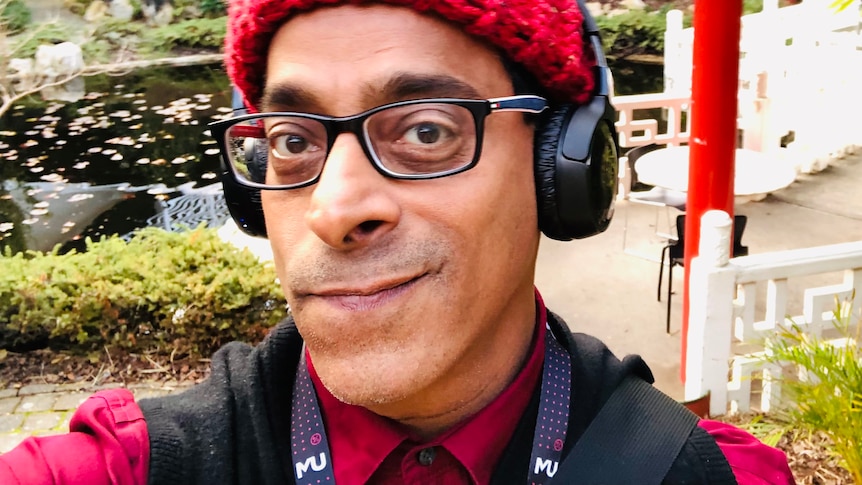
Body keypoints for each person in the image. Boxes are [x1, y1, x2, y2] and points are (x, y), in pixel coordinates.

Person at [0, 0, 795, 483]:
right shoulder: (135, 464)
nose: (333, 208)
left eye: (426, 129)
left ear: (563, 167)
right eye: (291, 139)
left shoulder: (702, 474)